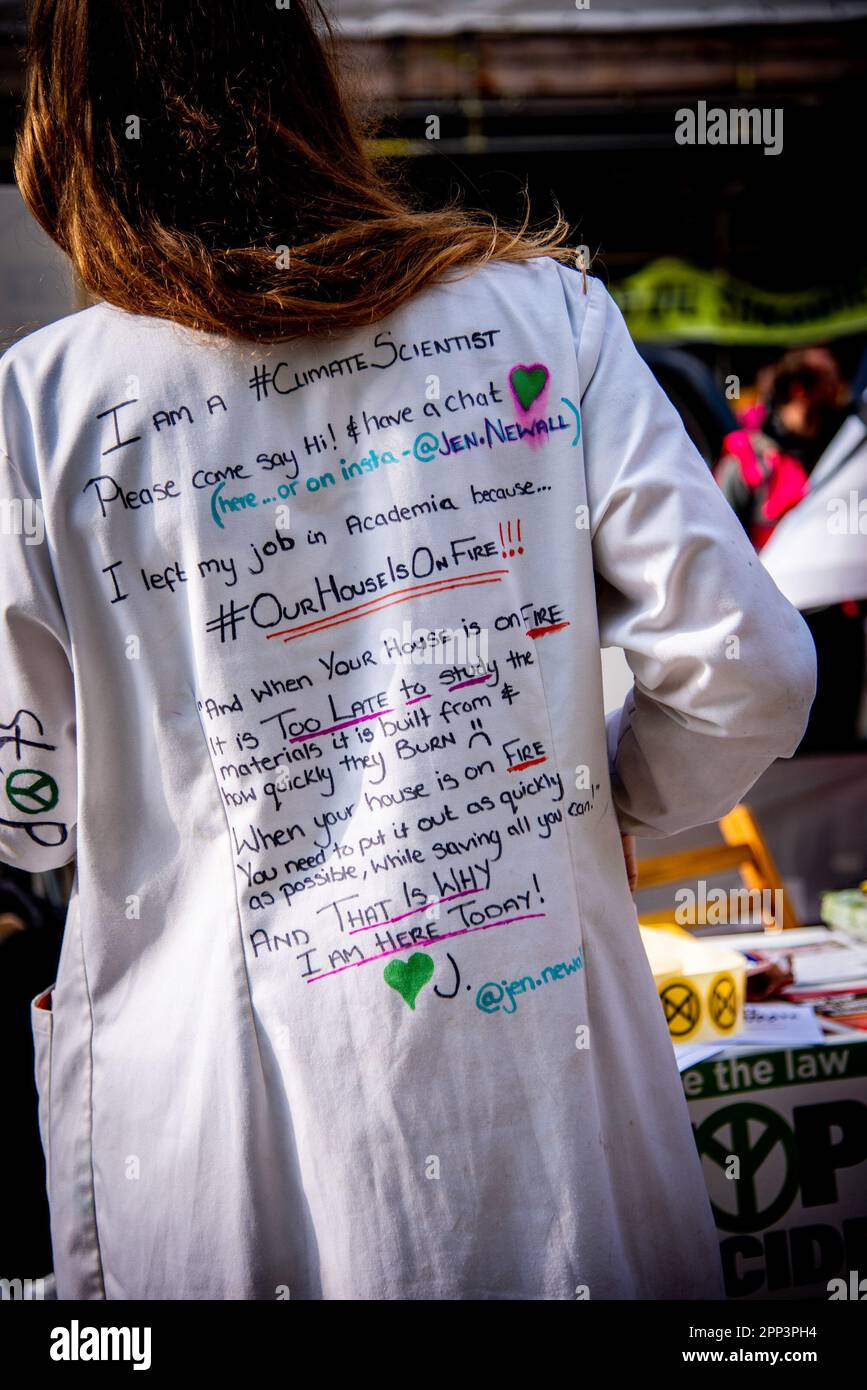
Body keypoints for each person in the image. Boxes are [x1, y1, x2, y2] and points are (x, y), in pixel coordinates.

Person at [0, 0, 815, 1301]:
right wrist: (603, 799)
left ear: (72, 132)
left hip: (214, 1131)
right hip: (538, 1107)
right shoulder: (546, 320)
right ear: (313, 98)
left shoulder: (45, 404)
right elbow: (745, 668)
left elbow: (21, 812)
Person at [715, 350, 864, 752]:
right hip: (775, 627)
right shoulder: (747, 458)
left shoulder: (849, 447)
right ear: (800, 390)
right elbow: (720, 548)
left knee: (838, 742)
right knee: (784, 742)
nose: (842, 392)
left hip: (838, 624)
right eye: (831, 382)